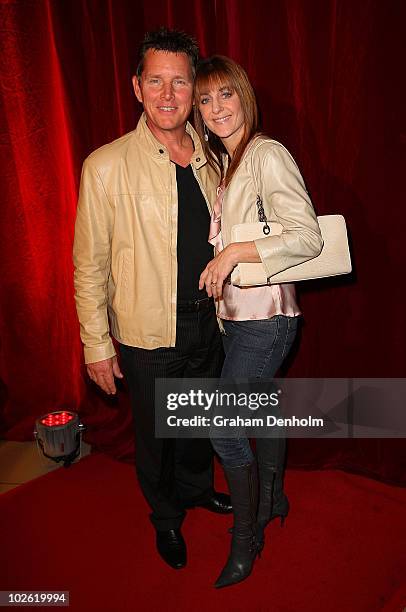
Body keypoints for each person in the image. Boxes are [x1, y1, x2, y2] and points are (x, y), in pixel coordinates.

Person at [73, 30, 232, 572]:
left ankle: (194, 490)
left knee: (197, 424)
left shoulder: (217, 157)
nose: (169, 94)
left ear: (194, 89)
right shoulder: (105, 166)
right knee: (158, 436)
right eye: (156, 81)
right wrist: (96, 343)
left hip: (209, 323)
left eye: (180, 81)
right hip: (146, 332)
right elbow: (88, 264)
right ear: (137, 88)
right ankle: (165, 519)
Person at [194, 55, 323, 588]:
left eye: (226, 94)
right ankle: (273, 499)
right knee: (261, 409)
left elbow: (307, 236)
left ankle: (247, 537)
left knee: (224, 428)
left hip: (267, 320)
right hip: (241, 321)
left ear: (244, 95)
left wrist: (232, 253)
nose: (217, 107)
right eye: (206, 99)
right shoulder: (230, 163)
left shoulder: (267, 154)